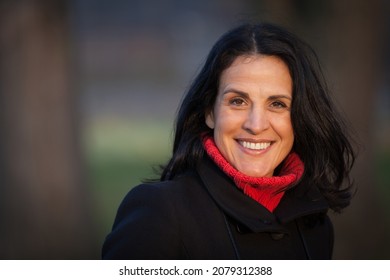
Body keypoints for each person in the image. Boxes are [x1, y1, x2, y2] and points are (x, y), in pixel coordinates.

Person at [102, 22, 355, 260]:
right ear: (210, 113)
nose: (256, 125)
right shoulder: (159, 212)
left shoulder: (316, 225)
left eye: (277, 104)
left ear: (300, 117)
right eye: (237, 101)